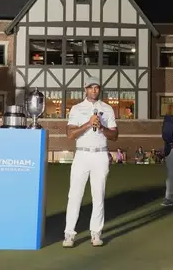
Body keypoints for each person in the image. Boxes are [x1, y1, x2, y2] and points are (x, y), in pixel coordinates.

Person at [63, 77, 118, 248]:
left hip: (100, 155)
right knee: (74, 196)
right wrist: (88, 123)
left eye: (96, 87)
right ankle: (69, 234)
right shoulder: (77, 108)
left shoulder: (107, 109)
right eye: (90, 87)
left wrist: (101, 127)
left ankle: (96, 233)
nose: (94, 90)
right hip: (82, 155)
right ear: (85, 89)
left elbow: (114, 136)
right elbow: (70, 135)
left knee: (98, 195)